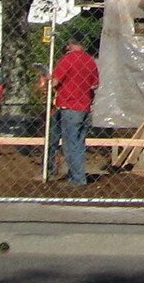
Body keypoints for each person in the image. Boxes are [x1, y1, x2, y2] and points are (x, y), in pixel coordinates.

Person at [43, 37, 100, 186]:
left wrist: (48, 78)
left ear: (69, 45)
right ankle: (77, 174)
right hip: (85, 107)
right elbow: (95, 85)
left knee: (69, 144)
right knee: (79, 143)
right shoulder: (90, 61)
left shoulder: (67, 60)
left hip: (69, 106)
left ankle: (77, 179)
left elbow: (54, 82)